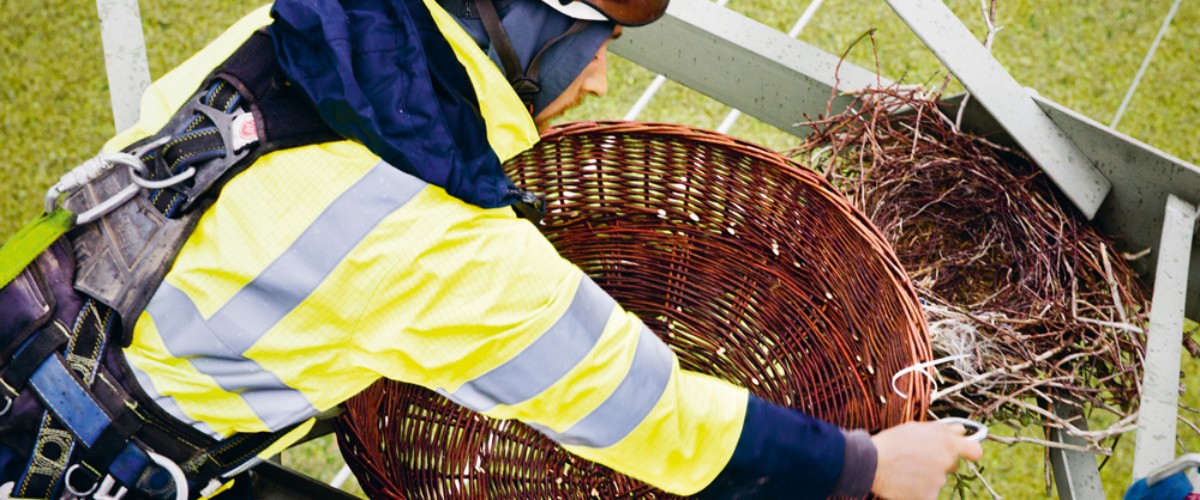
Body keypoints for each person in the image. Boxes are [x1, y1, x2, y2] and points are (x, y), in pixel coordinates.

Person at [2, 0, 980, 498]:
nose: (600, 82)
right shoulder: (441, 249)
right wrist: (868, 465)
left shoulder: (291, 29)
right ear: (518, 28)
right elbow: (651, 413)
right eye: (594, 44)